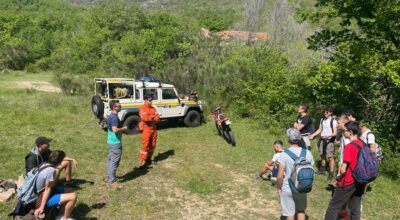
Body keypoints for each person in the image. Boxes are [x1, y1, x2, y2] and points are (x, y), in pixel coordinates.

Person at [324, 121, 367, 220]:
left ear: (350, 132)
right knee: (355, 208)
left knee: (333, 207)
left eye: (344, 130)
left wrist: (338, 178)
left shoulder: (350, 147)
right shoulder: (363, 144)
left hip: (348, 181)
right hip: (360, 180)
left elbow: (343, 169)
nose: (343, 132)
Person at [277, 128, 314, 220]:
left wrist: (279, 187)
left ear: (288, 139)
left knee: (290, 213)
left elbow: (280, 176)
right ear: (300, 138)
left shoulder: (284, 154)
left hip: (288, 187)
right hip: (302, 186)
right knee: (301, 210)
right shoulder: (307, 153)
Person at [34, 150, 77, 220]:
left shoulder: (45, 164)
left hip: (44, 193)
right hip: (40, 199)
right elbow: (47, 189)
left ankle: (60, 213)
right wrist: (41, 207)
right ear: (60, 161)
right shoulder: (51, 171)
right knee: (73, 196)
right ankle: (64, 218)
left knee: (70, 190)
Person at [309, 107, 337, 180]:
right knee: (322, 155)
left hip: (329, 141)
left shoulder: (333, 121)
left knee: (330, 157)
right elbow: (320, 129)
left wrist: (327, 136)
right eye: (324, 112)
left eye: (327, 112)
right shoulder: (322, 120)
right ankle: (322, 169)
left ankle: (331, 173)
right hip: (322, 140)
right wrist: (313, 135)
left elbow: (335, 133)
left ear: (331, 113)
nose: (325, 113)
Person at [106, 100, 127, 187]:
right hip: (115, 142)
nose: (120, 107)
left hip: (110, 141)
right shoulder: (114, 117)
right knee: (114, 161)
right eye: (119, 106)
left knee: (110, 160)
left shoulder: (111, 115)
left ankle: (109, 176)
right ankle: (112, 181)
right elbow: (115, 130)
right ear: (114, 107)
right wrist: (123, 128)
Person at [138, 95, 160, 167]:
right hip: (147, 129)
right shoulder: (142, 108)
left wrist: (153, 118)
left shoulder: (153, 108)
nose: (151, 102)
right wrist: (152, 117)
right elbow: (145, 118)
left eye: (151, 100)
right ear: (145, 100)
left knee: (152, 145)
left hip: (153, 129)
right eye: (149, 100)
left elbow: (158, 117)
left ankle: (149, 159)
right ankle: (142, 161)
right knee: (145, 145)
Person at [329, 115, 350, 187]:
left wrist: (343, 163)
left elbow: (348, 149)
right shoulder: (343, 133)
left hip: (346, 160)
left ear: (344, 123)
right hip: (342, 158)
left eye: (338, 123)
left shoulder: (348, 135)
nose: (337, 125)